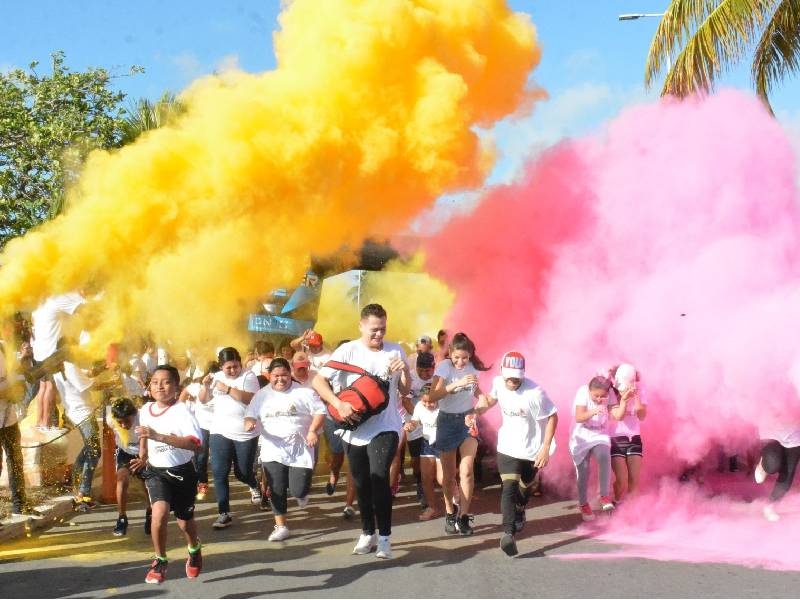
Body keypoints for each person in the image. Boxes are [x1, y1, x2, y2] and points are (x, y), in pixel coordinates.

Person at [313, 304, 410, 559]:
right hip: (353, 428)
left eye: (383, 329)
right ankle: (368, 533)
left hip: (386, 425)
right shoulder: (348, 350)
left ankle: (385, 538)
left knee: (379, 477)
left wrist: (405, 370)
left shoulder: (395, 350)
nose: (379, 334)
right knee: (361, 482)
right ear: (361, 326)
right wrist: (338, 404)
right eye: (374, 330)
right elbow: (318, 381)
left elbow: (404, 389)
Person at [474, 351, 558, 556]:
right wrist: (476, 412)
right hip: (508, 446)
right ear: (502, 372)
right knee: (508, 487)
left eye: (517, 377)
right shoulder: (498, 382)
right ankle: (508, 534)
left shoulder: (535, 393)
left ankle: (520, 507)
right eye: (509, 377)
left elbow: (553, 416)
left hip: (532, 448)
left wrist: (546, 447)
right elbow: (492, 400)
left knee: (526, 485)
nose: (512, 381)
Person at [244, 358, 326, 541]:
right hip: (273, 448)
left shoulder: (304, 392)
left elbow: (320, 412)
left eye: (284, 375)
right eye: (276, 376)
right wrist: (249, 423)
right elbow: (249, 415)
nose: (280, 379)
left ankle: (301, 493)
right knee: (276, 488)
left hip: (300, 448)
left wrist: (312, 430)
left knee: (298, 490)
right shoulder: (261, 395)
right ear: (269, 376)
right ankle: (281, 526)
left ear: (290, 374)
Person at [136, 365, 203, 584]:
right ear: (149, 386)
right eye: (155, 382)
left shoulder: (182, 411)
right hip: (156, 472)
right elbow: (144, 433)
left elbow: (195, 444)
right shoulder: (145, 409)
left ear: (176, 386)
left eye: (166, 382)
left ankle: (194, 549)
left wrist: (159, 436)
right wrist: (143, 455)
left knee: (185, 522)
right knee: (159, 512)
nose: (160, 387)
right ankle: (160, 560)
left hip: (183, 472)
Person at [428, 332, 489, 536]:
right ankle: (449, 512)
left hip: (466, 420)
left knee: (467, 471)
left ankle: (463, 516)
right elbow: (432, 396)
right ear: (450, 353)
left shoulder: (473, 368)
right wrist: (456, 384)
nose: (460, 362)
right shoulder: (444, 367)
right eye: (456, 358)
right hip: (446, 421)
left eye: (464, 358)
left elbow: (477, 392)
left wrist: (481, 401)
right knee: (448, 476)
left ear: (470, 355)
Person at [199, 347, 262, 528]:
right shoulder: (216, 377)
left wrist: (227, 389)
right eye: (228, 368)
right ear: (221, 366)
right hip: (220, 430)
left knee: (242, 472)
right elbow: (203, 400)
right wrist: (205, 386)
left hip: (245, 431)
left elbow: (251, 399)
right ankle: (224, 513)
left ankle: (253, 483)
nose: (233, 370)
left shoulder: (248, 376)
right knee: (219, 472)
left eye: (236, 366)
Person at [52, 360, 120, 511]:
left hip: (80, 412)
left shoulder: (65, 365)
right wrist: (112, 382)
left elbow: (86, 374)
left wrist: (102, 368)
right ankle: (82, 494)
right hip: (82, 414)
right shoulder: (69, 366)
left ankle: (74, 481)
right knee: (93, 452)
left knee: (90, 449)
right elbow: (91, 386)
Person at [30, 292, 85, 432]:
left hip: (39, 351)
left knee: (43, 387)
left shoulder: (38, 306)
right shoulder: (55, 300)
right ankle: (46, 424)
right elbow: (81, 309)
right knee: (50, 387)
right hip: (51, 351)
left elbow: (34, 323)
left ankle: (40, 422)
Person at [0, 342, 40, 518]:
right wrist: (8, 393)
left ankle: (20, 505)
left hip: (9, 419)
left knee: (16, 461)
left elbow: (14, 372)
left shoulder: (3, 346)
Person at [570, 376, 617, 522]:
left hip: (599, 433)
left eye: (603, 396)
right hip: (581, 435)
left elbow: (615, 415)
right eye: (596, 396)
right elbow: (579, 417)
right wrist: (595, 410)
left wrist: (623, 403)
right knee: (583, 471)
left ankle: (604, 495)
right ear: (589, 390)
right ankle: (583, 504)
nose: (600, 399)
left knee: (604, 456)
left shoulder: (610, 394)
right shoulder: (582, 392)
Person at [393, 351, 435, 506]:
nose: (424, 374)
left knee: (436, 456)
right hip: (414, 420)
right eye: (420, 370)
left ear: (433, 367)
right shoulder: (410, 377)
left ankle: (433, 484)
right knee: (417, 457)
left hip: (435, 421)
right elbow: (406, 402)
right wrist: (421, 418)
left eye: (427, 371)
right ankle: (420, 482)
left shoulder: (438, 378)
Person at [403, 369, 443, 521]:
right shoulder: (420, 406)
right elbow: (415, 421)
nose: (428, 404)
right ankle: (432, 508)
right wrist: (410, 425)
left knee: (442, 479)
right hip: (427, 443)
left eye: (431, 401)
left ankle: (454, 505)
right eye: (425, 401)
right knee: (426, 477)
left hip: (442, 443)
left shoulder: (444, 407)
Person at [109, 397, 151, 536]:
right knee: (121, 479)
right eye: (119, 422)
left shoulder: (143, 418)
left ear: (134, 414)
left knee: (147, 484)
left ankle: (150, 513)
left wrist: (143, 458)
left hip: (144, 452)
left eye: (126, 421)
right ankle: (122, 518)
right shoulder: (110, 419)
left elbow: (146, 441)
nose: (123, 425)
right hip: (124, 452)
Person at [608, 363, 647, 502]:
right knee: (621, 480)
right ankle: (616, 500)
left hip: (634, 439)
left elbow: (642, 416)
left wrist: (636, 396)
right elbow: (618, 416)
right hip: (616, 440)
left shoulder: (640, 390)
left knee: (633, 481)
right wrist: (624, 400)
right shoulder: (611, 392)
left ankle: (631, 512)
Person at [181, 363, 219, 501]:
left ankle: (219, 482)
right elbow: (184, 393)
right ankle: (202, 482)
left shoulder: (223, 386)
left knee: (217, 457)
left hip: (219, 426)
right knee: (201, 457)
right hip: (202, 426)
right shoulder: (197, 387)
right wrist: (181, 411)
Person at [754, 424, 800, 521]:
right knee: (772, 465)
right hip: (772, 430)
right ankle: (764, 465)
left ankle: (770, 505)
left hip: (795, 436)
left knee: (787, 475)